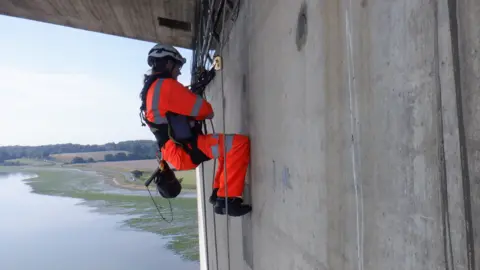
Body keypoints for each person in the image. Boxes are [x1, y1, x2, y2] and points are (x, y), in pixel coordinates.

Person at [139, 43, 252, 217]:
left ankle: (218, 194)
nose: (179, 72)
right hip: (184, 149)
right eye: (178, 66)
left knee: (225, 149)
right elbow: (207, 111)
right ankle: (227, 198)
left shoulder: (150, 90)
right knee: (238, 144)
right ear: (168, 64)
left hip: (175, 151)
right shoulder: (166, 86)